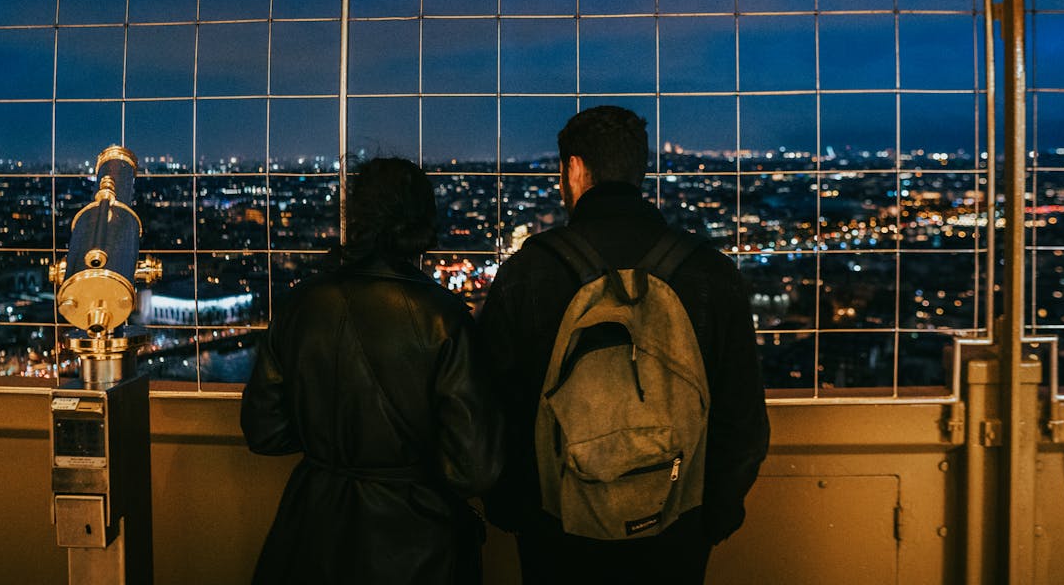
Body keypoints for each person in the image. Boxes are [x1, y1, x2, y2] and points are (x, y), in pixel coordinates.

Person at [478, 105, 770, 584]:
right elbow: (743, 421)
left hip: (558, 529)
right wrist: (710, 516)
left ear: (574, 169)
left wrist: (517, 511)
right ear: (642, 168)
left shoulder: (529, 273)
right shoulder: (709, 273)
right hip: (676, 526)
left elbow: (493, 406)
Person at [240, 157, 502, 585]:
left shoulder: (301, 304)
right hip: (418, 539)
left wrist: (330, 446)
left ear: (356, 215)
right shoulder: (444, 317)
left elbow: (264, 431)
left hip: (314, 527)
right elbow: (474, 466)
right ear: (422, 219)